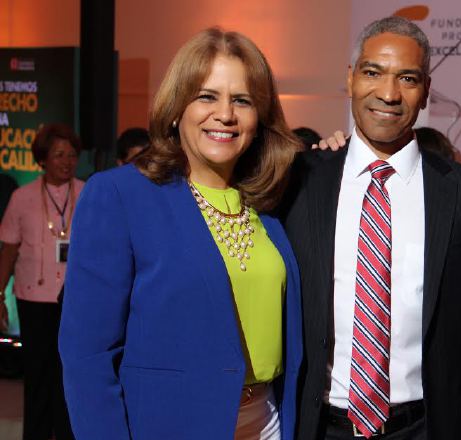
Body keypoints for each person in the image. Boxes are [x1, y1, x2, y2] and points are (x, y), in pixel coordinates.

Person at [58, 28, 303, 440]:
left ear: (259, 118)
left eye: (241, 100)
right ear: (175, 108)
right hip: (169, 425)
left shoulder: (274, 201)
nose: (224, 114)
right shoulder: (121, 195)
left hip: (268, 422)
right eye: (206, 96)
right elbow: (87, 355)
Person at [282, 16, 461, 440]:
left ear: (426, 90)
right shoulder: (300, 182)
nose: (389, 93)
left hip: (424, 428)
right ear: (351, 78)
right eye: (373, 73)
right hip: (322, 426)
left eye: (407, 78)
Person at [0, 122, 82, 440]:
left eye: (72, 155)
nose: (66, 161)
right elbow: (8, 250)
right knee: (37, 376)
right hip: (33, 300)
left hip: (74, 301)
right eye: (59, 154)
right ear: (43, 159)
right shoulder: (22, 197)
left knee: (69, 377)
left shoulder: (87, 192)